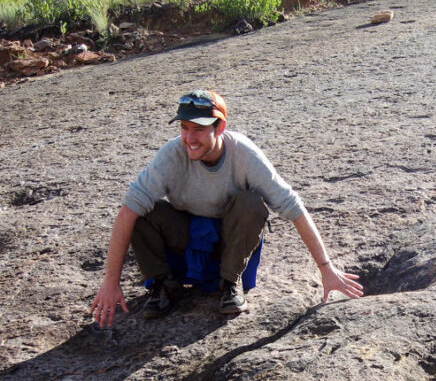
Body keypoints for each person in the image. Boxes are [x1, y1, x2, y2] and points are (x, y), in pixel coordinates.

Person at [91, 89, 363, 327]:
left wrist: (326, 268)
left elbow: (292, 206)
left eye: (198, 129)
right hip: (187, 236)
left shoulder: (243, 154)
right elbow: (127, 212)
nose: (189, 138)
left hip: (231, 241)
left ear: (220, 128)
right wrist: (110, 282)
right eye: (184, 128)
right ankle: (164, 285)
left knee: (251, 203)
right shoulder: (172, 156)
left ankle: (229, 284)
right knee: (141, 213)